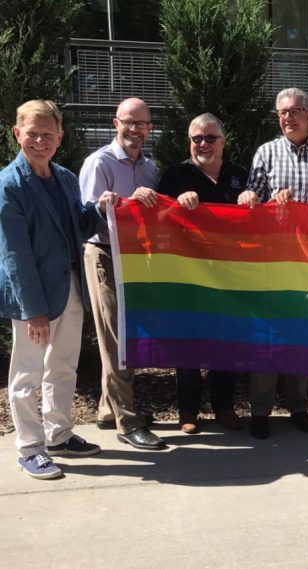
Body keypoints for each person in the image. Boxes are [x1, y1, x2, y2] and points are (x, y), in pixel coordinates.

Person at [0, 100, 120, 479]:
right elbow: (14, 256)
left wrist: (100, 209)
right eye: (32, 133)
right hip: (34, 295)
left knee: (63, 365)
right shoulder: (9, 185)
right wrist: (32, 310)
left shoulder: (65, 178)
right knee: (27, 374)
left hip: (70, 286)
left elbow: (79, 227)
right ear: (17, 134)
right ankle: (31, 447)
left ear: (59, 137)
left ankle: (59, 434)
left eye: (47, 134)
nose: (39, 141)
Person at [238, 87, 308, 439]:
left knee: (301, 336)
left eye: (296, 110)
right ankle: (260, 411)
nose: (289, 117)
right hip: (273, 261)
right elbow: (250, 202)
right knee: (267, 336)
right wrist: (263, 198)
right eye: (283, 112)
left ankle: (298, 405)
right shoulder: (265, 153)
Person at [79, 97, 166, 450]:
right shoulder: (98, 162)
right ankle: (127, 422)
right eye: (128, 122)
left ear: (150, 128)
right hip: (102, 254)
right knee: (116, 337)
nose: (135, 129)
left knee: (123, 332)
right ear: (116, 123)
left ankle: (106, 409)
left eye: (141, 124)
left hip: (134, 257)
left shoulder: (150, 168)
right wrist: (107, 205)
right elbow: (86, 218)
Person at [156, 113, 247, 434]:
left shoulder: (239, 175)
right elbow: (157, 217)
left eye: (210, 138)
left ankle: (224, 407)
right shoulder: (175, 174)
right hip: (188, 276)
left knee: (226, 344)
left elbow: (253, 223)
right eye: (197, 138)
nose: (203, 144)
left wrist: (252, 200)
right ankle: (188, 412)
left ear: (223, 141)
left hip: (229, 275)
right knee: (189, 345)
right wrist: (176, 204)